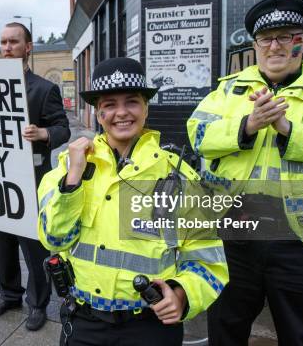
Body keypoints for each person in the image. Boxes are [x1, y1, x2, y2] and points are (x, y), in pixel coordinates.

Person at [187, 0, 303, 345]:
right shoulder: (228, 91)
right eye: (266, 39)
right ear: (255, 45)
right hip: (234, 236)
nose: (275, 46)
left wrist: (291, 132)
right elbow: (197, 134)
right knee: (225, 329)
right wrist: (247, 125)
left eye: (286, 36)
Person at [38, 57, 228, 345]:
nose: (121, 113)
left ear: (146, 108)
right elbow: (55, 238)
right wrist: (73, 179)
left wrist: (182, 293)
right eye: (110, 104)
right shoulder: (67, 169)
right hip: (83, 320)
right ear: (98, 113)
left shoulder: (177, 174)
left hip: (150, 325)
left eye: (132, 102)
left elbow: (208, 258)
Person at [0, 22, 71, 331]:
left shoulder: (45, 89)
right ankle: (9, 295)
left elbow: (63, 128)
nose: (6, 47)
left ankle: (37, 303)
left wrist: (44, 132)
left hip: (31, 181)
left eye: (13, 42)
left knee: (35, 248)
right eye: (3, 42)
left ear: (27, 47)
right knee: (2, 243)